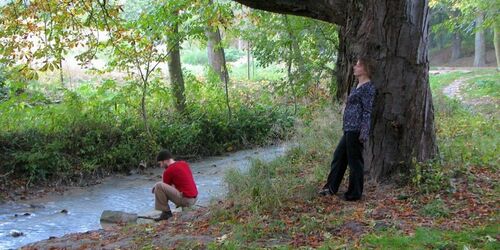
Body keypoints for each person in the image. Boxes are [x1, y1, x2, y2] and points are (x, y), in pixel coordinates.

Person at [319, 57, 376, 201]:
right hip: (348, 128)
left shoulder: (368, 88)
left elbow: (367, 111)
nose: (354, 68)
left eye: (357, 65)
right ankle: (330, 188)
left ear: (365, 69)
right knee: (339, 156)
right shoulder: (356, 86)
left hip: (356, 129)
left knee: (355, 161)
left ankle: (354, 194)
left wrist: (364, 132)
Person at [152, 149, 198, 221]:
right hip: (194, 198)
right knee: (164, 185)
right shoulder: (183, 163)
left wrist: (156, 187)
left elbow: (163, 188)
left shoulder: (168, 171)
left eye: (160, 163)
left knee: (158, 186)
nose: (160, 166)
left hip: (187, 200)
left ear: (165, 161)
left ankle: (166, 213)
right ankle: (184, 208)